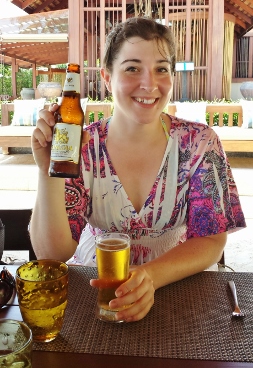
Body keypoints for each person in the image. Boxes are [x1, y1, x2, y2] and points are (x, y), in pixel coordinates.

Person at [30, 17, 246, 323]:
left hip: (176, 287)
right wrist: (46, 170)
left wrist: (148, 277)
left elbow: (212, 240)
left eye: (161, 69)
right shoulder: (83, 146)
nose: (149, 84)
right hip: (95, 289)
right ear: (107, 77)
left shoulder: (199, 144)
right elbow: (52, 254)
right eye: (132, 68)